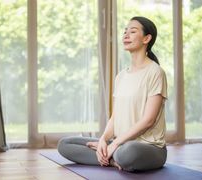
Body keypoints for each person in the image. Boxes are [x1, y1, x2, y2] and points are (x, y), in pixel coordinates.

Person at [57, 16, 167, 172]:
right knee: (65, 144)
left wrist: (114, 144)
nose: (126, 35)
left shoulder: (156, 72)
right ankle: (112, 158)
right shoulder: (121, 76)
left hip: (147, 148)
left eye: (132, 31)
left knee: (128, 153)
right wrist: (103, 139)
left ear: (147, 38)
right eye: (124, 31)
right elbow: (115, 117)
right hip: (120, 143)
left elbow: (148, 120)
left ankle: (113, 156)